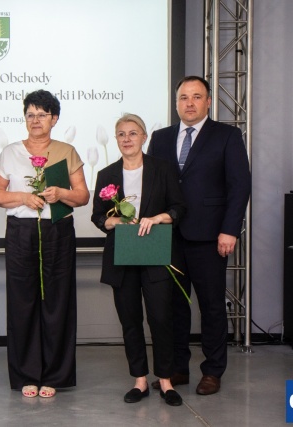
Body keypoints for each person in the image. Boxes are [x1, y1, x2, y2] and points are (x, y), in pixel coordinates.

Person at [147, 76, 252, 395]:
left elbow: (239, 186)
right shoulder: (161, 137)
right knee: (174, 307)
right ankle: (178, 368)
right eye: (183, 97)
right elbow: (152, 184)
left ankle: (213, 371)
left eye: (196, 97)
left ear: (208, 102)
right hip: (168, 236)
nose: (189, 103)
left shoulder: (227, 136)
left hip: (210, 236)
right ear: (176, 102)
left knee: (211, 306)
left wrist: (230, 230)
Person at [0, 89, 89, 398]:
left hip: (58, 230)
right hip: (21, 232)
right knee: (22, 301)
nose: (35, 120)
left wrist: (61, 194)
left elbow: (82, 196)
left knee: (58, 301)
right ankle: (26, 374)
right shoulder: (10, 152)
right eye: (30, 114)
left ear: (54, 119)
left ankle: (55, 376)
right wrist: (22, 197)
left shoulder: (66, 151)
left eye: (42, 115)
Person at [91, 113, 186, 406]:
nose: (127, 139)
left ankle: (166, 381)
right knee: (130, 320)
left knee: (161, 318)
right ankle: (140, 380)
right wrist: (115, 221)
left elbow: (179, 207)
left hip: (156, 253)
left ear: (144, 137)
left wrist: (159, 218)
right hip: (122, 256)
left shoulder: (162, 168)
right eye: (121, 134)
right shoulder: (106, 174)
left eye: (133, 133)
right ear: (116, 139)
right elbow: (97, 217)